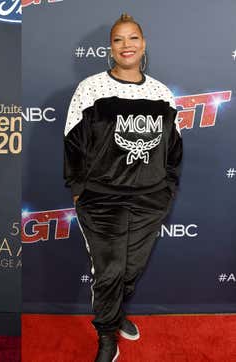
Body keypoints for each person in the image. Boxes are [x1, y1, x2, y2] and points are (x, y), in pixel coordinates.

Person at [63, 13, 182, 362]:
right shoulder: (90, 88)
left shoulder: (161, 93)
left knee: (131, 270)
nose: (126, 45)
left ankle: (115, 312)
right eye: (118, 39)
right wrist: (79, 189)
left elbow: (173, 148)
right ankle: (106, 337)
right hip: (102, 200)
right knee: (110, 270)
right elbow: (73, 142)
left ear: (143, 45)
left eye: (133, 39)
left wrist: (167, 189)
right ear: (110, 47)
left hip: (150, 199)